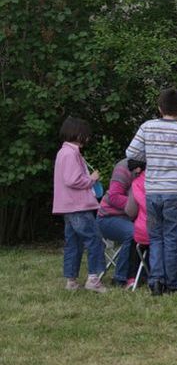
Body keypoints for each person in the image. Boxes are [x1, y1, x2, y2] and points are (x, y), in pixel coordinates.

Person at [125, 88, 177, 295]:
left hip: (152, 191)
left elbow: (130, 152)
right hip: (175, 192)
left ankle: (156, 281)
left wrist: (150, 155)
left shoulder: (147, 127)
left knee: (156, 237)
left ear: (159, 108)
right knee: (173, 238)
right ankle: (173, 283)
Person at [52, 117, 108, 293]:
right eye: (86, 135)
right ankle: (94, 278)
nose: (88, 138)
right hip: (78, 206)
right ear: (78, 134)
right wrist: (91, 180)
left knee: (73, 243)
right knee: (94, 240)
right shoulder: (71, 153)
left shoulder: (64, 152)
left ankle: (71, 280)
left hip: (68, 205)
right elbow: (72, 180)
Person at [96, 158, 145, 287]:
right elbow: (114, 197)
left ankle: (144, 274)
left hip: (133, 217)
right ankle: (120, 277)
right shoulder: (123, 167)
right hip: (108, 217)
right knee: (133, 232)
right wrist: (138, 204)